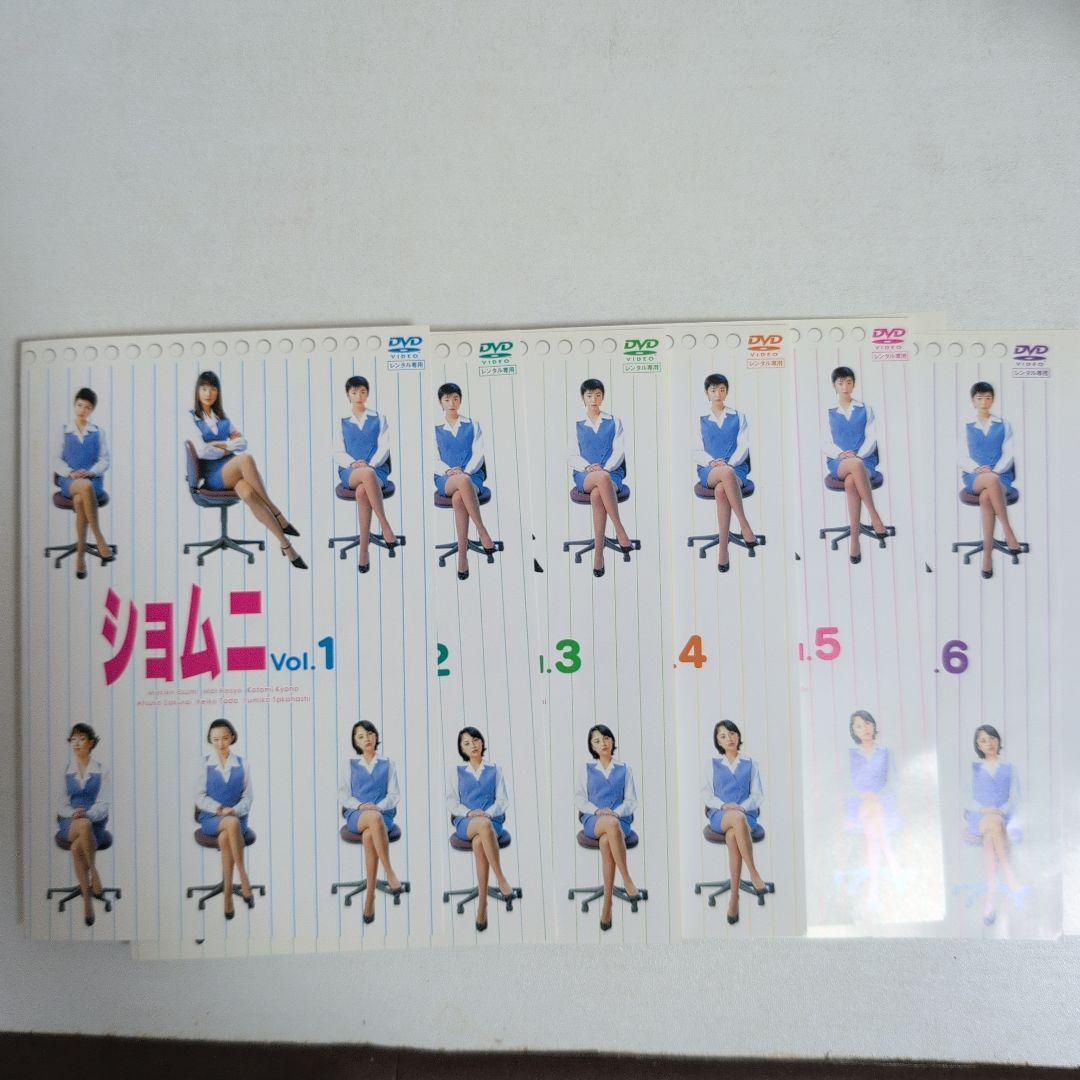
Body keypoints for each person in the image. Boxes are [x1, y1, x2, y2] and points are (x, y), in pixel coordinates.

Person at [186, 370, 307, 568]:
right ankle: (276, 512)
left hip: (231, 470)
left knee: (249, 493)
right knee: (246, 459)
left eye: (213, 389)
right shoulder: (192, 418)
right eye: (204, 388)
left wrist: (220, 445)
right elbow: (202, 451)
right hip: (213, 477)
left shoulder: (222, 418)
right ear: (197, 391)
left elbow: (242, 443)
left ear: (218, 392)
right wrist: (227, 448)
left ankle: (286, 545)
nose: (208, 393)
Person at [446, 726, 515, 931]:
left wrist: (488, 813)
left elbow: (502, 801)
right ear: (462, 749)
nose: (473, 745)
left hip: (492, 821)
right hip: (466, 822)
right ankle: (501, 878)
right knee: (481, 826)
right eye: (467, 743)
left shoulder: (495, 770)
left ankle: (482, 905)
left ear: (482, 742)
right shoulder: (456, 772)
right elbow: (451, 802)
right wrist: (469, 813)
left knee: (479, 841)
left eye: (475, 740)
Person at [700, 720, 769, 924]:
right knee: (735, 819)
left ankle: (734, 898)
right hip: (720, 815)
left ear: (738, 736)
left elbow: (757, 796)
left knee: (733, 834)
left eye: (732, 734)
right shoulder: (712, 764)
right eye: (723, 736)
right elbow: (706, 794)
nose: (729, 738)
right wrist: (724, 805)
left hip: (746, 815)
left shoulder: (751, 764)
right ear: (718, 742)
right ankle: (754, 873)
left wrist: (742, 807)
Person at [575, 724, 642, 931]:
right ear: (592, 747)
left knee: (607, 840)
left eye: (606, 738)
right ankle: (627, 879)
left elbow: (631, 801)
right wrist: (598, 811)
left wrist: (616, 812)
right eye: (597, 741)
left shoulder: (625, 769)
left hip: (620, 820)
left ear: (612, 741)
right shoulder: (586, 769)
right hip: (593, 820)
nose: (603, 743)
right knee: (609, 825)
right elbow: (580, 799)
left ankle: (607, 905)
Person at [339, 719, 405, 923]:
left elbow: (394, 795)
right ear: (355, 742)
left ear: (376, 737)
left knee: (370, 835)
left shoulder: (388, 764)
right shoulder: (349, 765)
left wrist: (378, 807)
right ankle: (389, 872)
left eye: (369, 734)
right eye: (361, 736)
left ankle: (370, 897)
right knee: (372, 819)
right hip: (356, 815)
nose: (366, 739)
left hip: (383, 814)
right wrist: (361, 806)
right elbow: (343, 795)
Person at [332, 375, 399, 573]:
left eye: (362, 392)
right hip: (350, 470)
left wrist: (369, 464)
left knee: (364, 488)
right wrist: (353, 463)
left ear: (367, 394)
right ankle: (385, 525)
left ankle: (363, 551)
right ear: (348, 395)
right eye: (354, 392)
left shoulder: (379, 418)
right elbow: (337, 451)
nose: (359, 396)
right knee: (365, 475)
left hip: (377, 468)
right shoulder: (341, 421)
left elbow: (384, 447)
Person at [692, 373, 759, 572]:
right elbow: (696, 450)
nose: (718, 394)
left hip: (736, 466)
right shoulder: (700, 420)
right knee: (725, 474)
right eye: (713, 390)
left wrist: (728, 463)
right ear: (707, 393)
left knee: (723, 487)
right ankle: (744, 525)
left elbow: (743, 446)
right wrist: (712, 462)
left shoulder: (739, 416)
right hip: (709, 469)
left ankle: (723, 550)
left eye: (722, 390)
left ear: (727, 392)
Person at [568, 379, 634, 578]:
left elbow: (619, 452)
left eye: (598, 395)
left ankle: (598, 555)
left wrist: (604, 468)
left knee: (598, 491)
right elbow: (572, 455)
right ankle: (620, 529)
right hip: (584, 474)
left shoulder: (615, 422)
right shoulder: (576, 425)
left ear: (603, 397)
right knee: (599, 479)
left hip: (611, 472)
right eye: (589, 395)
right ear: (583, 398)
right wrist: (588, 467)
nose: (594, 399)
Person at [822, 367, 888, 564]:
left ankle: (854, 541)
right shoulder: (828, 411)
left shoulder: (865, 409)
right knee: (853, 466)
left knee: (852, 479)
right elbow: (824, 442)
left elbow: (872, 437)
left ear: (854, 384)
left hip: (864, 458)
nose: (845, 386)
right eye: (840, 383)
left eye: (849, 382)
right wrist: (841, 454)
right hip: (838, 461)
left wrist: (858, 455)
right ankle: (874, 516)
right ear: (834, 386)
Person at [958, 381, 1023, 579]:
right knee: (989, 482)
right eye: (980, 398)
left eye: (988, 398)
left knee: (987, 494)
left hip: (1001, 474)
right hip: (974, 475)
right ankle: (1008, 530)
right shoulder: (965, 425)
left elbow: (1009, 453)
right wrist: (976, 469)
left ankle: (987, 555)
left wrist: (995, 470)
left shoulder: (1004, 424)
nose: (984, 402)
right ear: (973, 401)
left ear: (993, 400)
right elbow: (960, 455)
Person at [433, 383, 496, 580]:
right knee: (460, 482)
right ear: (441, 403)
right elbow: (433, 458)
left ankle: (462, 557)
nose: (451, 403)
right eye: (447, 399)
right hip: (445, 478)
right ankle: (482, 530)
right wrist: (448, 471)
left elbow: (479, 453)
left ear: (460, 400)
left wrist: (465, 471)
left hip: (472, 475)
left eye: (455, 398)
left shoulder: (473, 424)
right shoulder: (434, 429)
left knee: (460, 496)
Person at [195, 719, 256, 919]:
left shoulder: (242, 763)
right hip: (212, 817)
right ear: (210, 740)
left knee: (225, 836)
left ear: (231, 738)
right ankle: (243, 876)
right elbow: (199, 797)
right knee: (231, 823)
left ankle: (228, 895)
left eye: (224, 738)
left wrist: (235, 810)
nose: (220, 743)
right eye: (215, 739)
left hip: (238, 817)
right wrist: (219, 808)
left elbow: (248, 797)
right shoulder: (204, 764)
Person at [963, 724, 1023, 926]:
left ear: (998, 740)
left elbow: (1016, 798)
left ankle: (990, 900)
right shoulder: (973, 769)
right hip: (979, 818)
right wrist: (985, 809)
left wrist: (1000, 810)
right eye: (983, 740)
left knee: (991, 834)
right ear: (978, 745)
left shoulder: (1009, 768)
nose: (988, 743)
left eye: (992, 738)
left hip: (1002, 819)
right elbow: (965, 798)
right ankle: (1009, 873)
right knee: (991, 822)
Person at [54, 387, 114, 579]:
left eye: (87, 407)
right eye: (79, 405)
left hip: (92, 479)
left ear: (92, 410)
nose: (82, 410)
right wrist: (70, 472)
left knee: (81, 499)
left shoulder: (98, 432)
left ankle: (80, 559)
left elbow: (105, 460)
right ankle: (99, 537)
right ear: (74, 405)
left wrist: (91, 472)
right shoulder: (64, 431)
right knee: (83, 487)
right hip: (69, 481)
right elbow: (55, 460)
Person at [844, 710, 902, 906]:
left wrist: (878, 795)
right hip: (860, 806)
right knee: (872, 816)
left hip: (883, 804)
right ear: (854, 731)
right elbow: (847, 785)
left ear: (874, 725)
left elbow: (894, 781)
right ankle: (893, 864)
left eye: (867, 723)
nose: (865, 729)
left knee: (872, 832)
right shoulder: (851, 756)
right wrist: (862, 795)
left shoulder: (885, 753)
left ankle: (874, 887)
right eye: (859, 726)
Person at [55, 723, 110, 926]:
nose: (76, 743)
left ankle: (87, 898)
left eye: (82, 739)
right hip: (70, 822)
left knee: (79, 842)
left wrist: (87, 813)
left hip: (95, 821)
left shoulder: (102, 770)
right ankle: (94, 873)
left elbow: (103, 803)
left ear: (91, 742)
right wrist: (73, 813)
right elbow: (61, 803)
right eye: (73, 739)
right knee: (82, 825)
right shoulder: (65, 770)